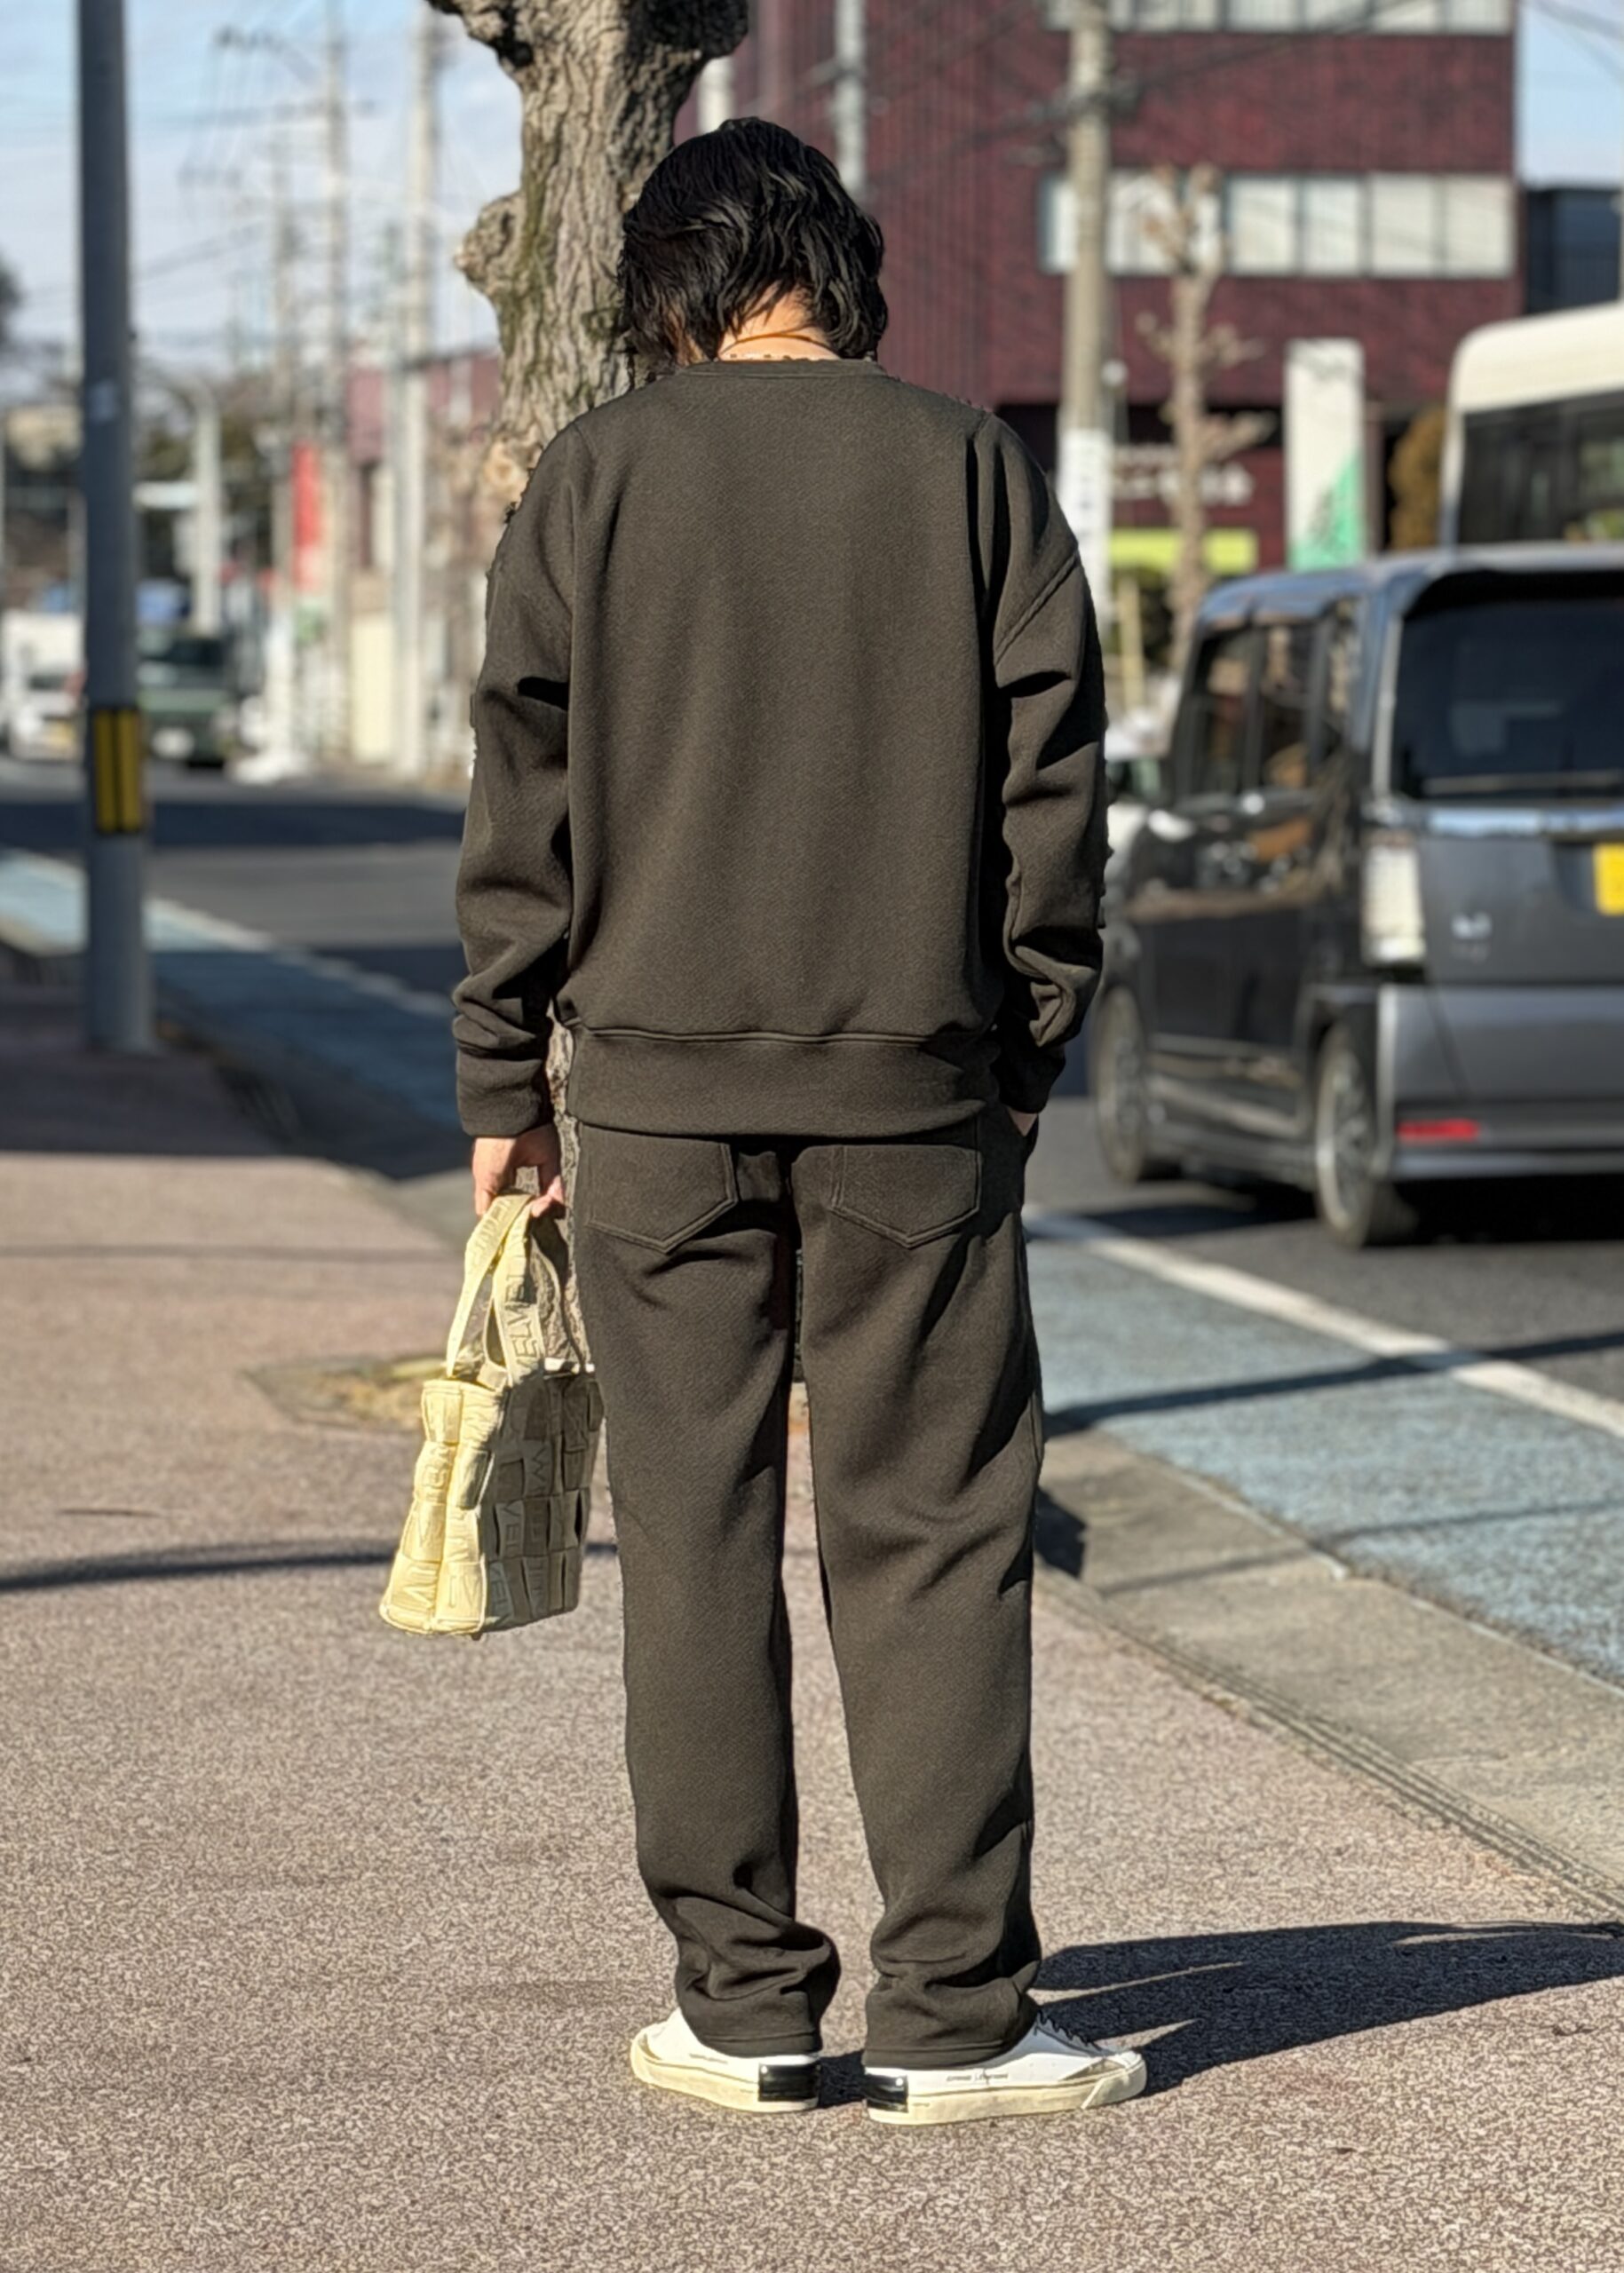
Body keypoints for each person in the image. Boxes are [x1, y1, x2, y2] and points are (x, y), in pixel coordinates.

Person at [452, 117, 1138, 2128]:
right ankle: (955, 2014)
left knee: (694, 1532)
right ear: (836, 270)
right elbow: (1054, 795)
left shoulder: (594, 478)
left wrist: (503, 1079)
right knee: (935, 1532)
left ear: (671, 289)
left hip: (654, 1104)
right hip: (915, 1093)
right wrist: (1020, 1044)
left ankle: (743, 2005)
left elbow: (521, 799)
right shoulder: (967, 469)